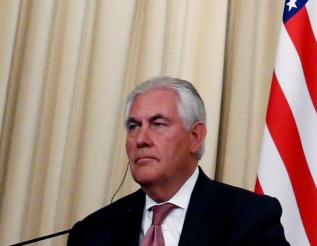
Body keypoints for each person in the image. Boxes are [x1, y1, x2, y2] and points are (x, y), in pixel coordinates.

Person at [68, 76, 289, 246]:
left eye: (158, 124)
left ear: (195, 136)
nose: (141, 139)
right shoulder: (92, 232)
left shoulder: (250, 219)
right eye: (134, 126)